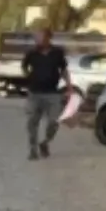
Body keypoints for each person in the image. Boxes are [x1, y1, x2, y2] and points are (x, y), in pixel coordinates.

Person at [21, 28, 73, 159]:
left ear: (48, 38)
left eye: (41, 37)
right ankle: (33, 149)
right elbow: (24, 66)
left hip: (52, 93)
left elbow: (64, 70)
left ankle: (45, 142)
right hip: (34, 93)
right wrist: (29, 76)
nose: (38, 40)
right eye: (37, 38)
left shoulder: (57, 53)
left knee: (54, 121)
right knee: (32, 121)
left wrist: (69, 86)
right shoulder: (32, 53)